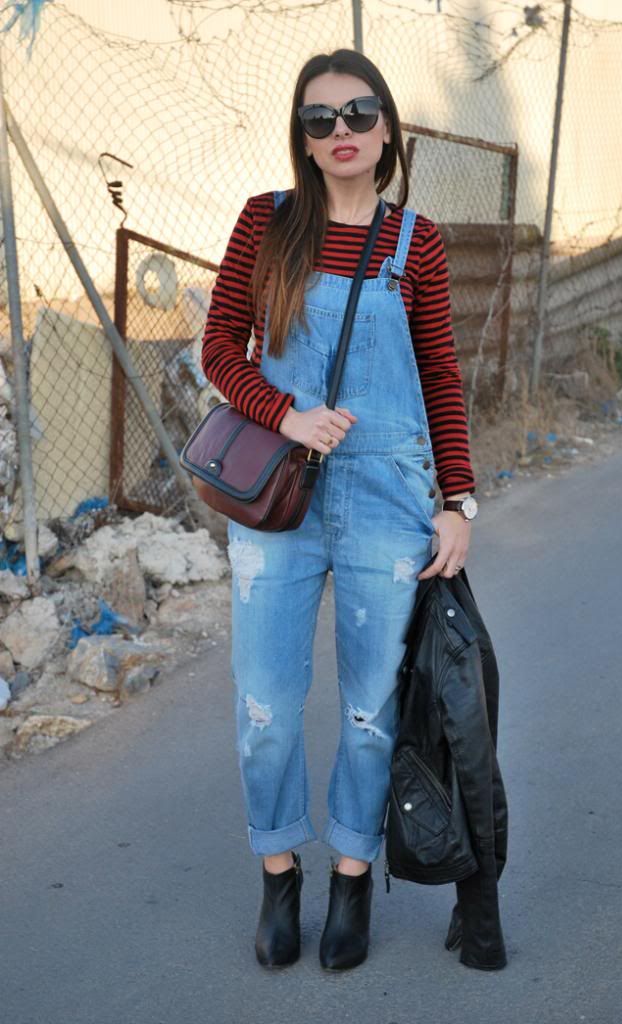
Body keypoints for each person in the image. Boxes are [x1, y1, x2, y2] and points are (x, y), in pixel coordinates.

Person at [200, 48, 478, 971]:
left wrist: (458, 502)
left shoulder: (418, 242)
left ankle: (351, 875)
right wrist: (285, 412)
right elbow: (217, 349)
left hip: (390, 499)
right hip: (280, 495)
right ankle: (279, 868)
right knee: (266, 707)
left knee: (369, 710)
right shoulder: (264, 224)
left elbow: (440, 376)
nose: (342, 132)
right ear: (302, 138)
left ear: (388, 128)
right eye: (320, 119)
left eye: (358, 114)